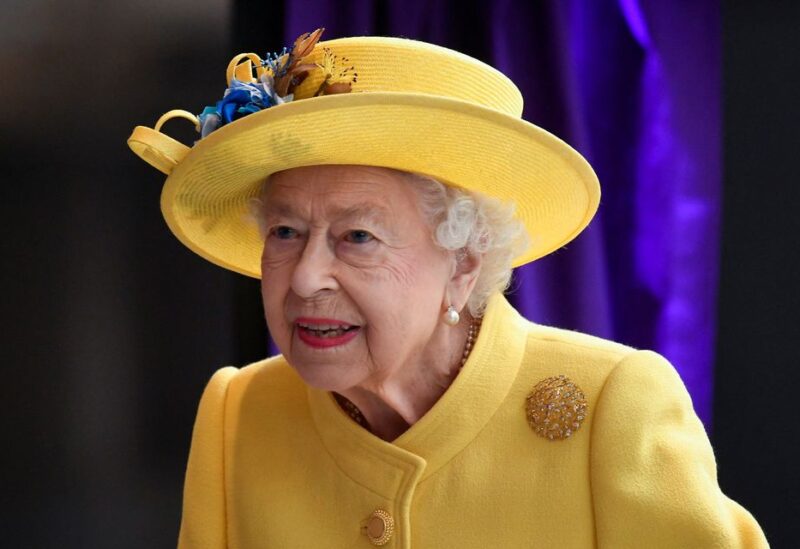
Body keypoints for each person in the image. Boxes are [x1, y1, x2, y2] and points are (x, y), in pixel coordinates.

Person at [128, 29, 769, 548]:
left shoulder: (611, 408)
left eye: (358, 237)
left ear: (464, 262)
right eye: (286, 231)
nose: (304, 277)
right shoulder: (237, 415)